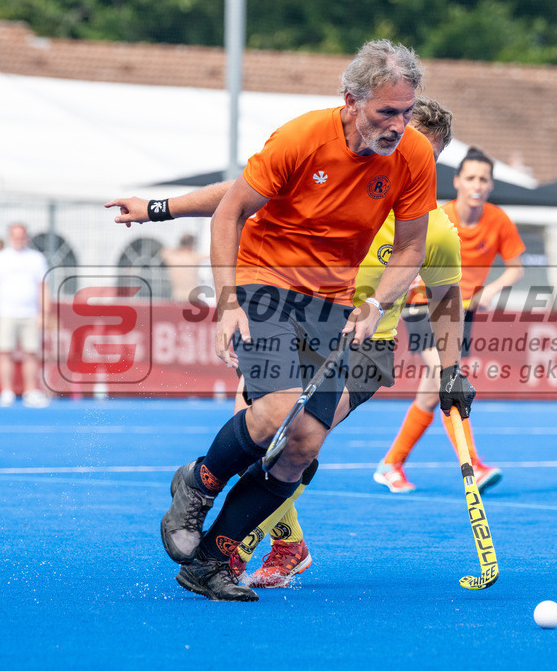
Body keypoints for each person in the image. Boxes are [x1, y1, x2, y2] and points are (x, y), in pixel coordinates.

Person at [133, 40, 474, 603]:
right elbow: (231, 205)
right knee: (271, 412)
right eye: (387, 112)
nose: (398, 126)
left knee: (304, 444)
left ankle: (212, 561)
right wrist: (223, 296)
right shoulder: (301, 138)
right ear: (351, 100)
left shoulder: (414, 163)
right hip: (266, 283)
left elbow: (419, 258)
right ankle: (198, 484)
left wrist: (381, 310)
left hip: (341, 315)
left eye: (406, 112)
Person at [376, 146, 525, 494]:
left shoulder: (498, 220)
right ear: (457, 181)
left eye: (483, 179)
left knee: (431, 392)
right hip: (424, 305)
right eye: (470, 177)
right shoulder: (440, 217)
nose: (477, 185)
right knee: (448, 377)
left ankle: (391, 464)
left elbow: (516, 269)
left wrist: (492, 289)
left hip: (461, 313)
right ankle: (473, 464)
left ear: (490, 185)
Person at [0, 223, 51, 408]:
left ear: (26, 237)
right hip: (6, 312)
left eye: (21, 235)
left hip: (30, 313)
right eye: (15, 235)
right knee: (5, 352)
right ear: (10, 237)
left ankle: (30, 391)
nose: (18, 239)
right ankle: (7, 391)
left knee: (31, 352)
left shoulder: (36, 258)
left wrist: (44, 313)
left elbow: (43, 287)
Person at [160, 233, 206, 302]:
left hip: (178, 296)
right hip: (193, 296)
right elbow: (210, 256)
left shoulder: (172, 257)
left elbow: (164, 251)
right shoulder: (194, 257)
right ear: (192, 244)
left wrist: (179, 249)